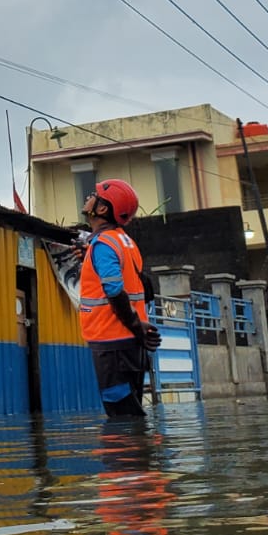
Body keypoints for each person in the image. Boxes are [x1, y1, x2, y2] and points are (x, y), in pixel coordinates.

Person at [79, 178, 163, 416]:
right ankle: (142, 452)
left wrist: (136, 326)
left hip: (112, 342)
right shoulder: (123, 241)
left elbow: (114, 291)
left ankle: (130, 453)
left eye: (93, 195)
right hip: (127, 343)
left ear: (103, 209)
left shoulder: (103, 245)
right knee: (130, 410)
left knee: (122, 415)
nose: (89, 197)